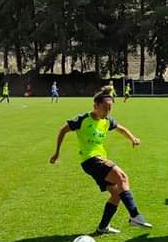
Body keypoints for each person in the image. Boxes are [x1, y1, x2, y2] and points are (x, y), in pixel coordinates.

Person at [50, 87, 153, 234]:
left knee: (117, 193)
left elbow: (120, 128)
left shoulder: (107, 121)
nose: (107, 111)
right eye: (105, 108)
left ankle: (103, 227)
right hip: (90, 160)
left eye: (110, 108)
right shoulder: (82, 120)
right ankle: (135, 216)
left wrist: (133, 138)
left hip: (99, 159)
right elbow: (63, 130)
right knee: (122, 177)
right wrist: (57, 152)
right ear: (95, 106)